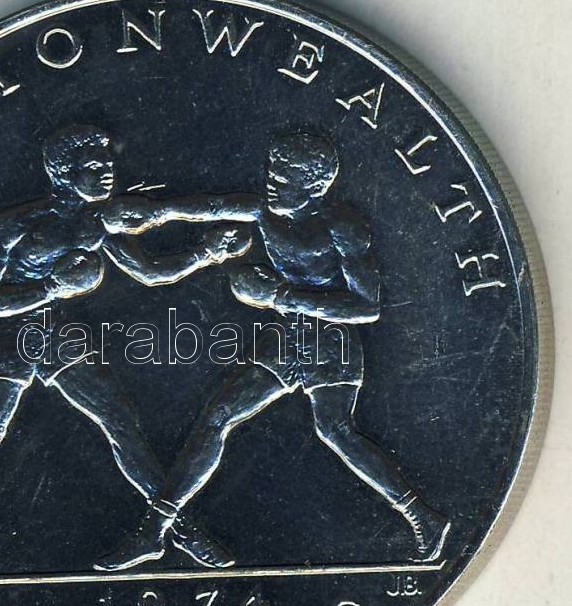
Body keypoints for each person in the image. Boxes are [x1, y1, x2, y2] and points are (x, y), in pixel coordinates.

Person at [0, 124, 250, 579]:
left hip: (51, 334)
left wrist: (206, 253)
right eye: (93, 165)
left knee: (118, 419)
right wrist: (49, 287)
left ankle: (172, 529)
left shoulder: (97, 223)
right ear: (63, 174)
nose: (107, 172)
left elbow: (151, 272)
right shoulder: (17, 225)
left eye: (107, 163)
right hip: (4, 337)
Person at [96, 132, 451, 571]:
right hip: (288, 339)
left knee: (336, 431)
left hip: (332, 343)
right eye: (272, 173)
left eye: (284, 179)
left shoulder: (342, 226)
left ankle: (420, 515)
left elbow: (367, 307)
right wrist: (157, 213)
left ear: (315, 186)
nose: (272, 184)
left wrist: (280, 296)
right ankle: (155, 529)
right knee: (219, 415)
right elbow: (210, 206)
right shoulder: (263, 211)